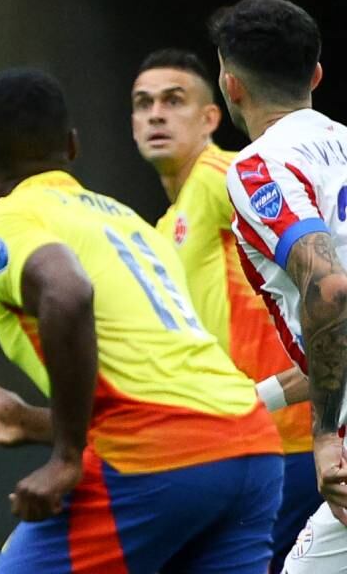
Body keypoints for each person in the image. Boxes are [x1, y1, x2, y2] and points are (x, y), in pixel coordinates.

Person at [0, 69, 281, 572]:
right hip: (252, 447)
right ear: (72, 146)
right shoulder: (132, 223)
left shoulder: (1, 223)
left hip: (156, 455)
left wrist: (66, 456)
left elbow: (67, 292)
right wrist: (34, 422)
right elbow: (167, 382)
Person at [132, 47, 320, 570]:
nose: (156, 115)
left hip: (292, 440)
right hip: (235, 446)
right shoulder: (163, 227)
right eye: (143, 104)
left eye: (173, 101)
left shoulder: (225, 175)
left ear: (211, 116)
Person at [212, 0, 347, 570]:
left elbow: (330, 292)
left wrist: (324, 435)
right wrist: (253, 402)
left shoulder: (259, 167)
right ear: (315, 75)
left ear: (231, 84)